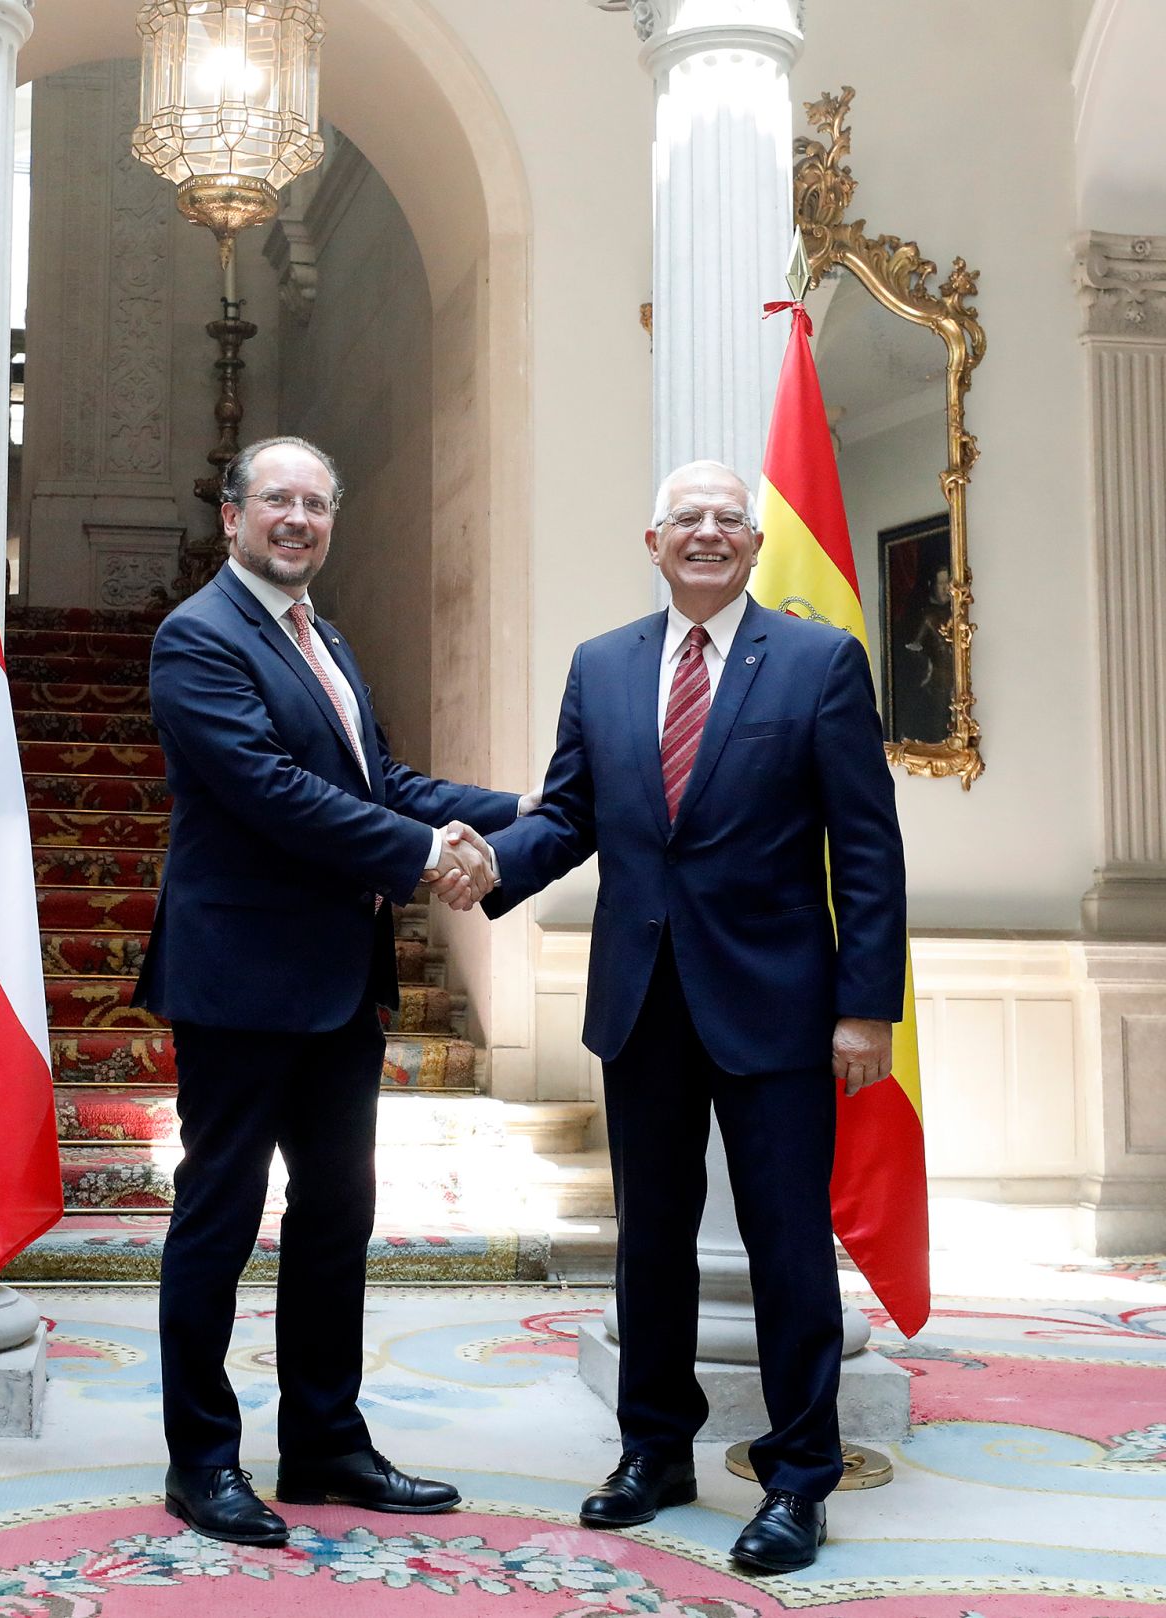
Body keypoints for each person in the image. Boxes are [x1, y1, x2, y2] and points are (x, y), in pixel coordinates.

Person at [478, 459, 906, 1575]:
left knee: (784, 1247)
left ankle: (799, 1474)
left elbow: (864, 847)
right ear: (652, 539)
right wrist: (479, 867)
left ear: (754, 544)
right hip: (642, 1003)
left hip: (779, 1009)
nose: (707, 533)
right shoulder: (602, 664)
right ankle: (652, 1450)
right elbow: (567, 814)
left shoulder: (817, 661)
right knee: (650, 1245)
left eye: (727, 519)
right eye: (687, 519)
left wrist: (865, 1010)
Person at [133, 435, 524, 1546]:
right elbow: (271, 792)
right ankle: (201, 1461)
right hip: (241, 983)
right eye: (278, 501)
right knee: (217, 1219)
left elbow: (379, 780)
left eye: (316, 502)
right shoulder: (197, 637)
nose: (297, 518)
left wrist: (532, 813)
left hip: (338, 986)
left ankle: (322, 1442)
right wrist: (422, 851)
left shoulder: (324, 638)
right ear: (232, 515)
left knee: (336, 1216)